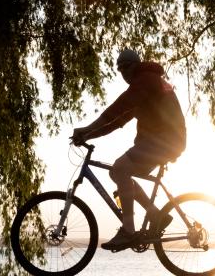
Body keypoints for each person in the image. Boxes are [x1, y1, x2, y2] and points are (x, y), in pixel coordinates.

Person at [70, 49, 187, 251]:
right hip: (162, 140)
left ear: (135, 65)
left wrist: (86, 130)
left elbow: (115, 109)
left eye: (126, 67)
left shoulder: (145, 80)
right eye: (119, 69)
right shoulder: (144, 85)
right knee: (117, 172)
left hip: (165, 140)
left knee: (121, 167)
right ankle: (156, 215)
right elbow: (115, 122)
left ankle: (128, 230)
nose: (123, 72)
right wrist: (87, 135)